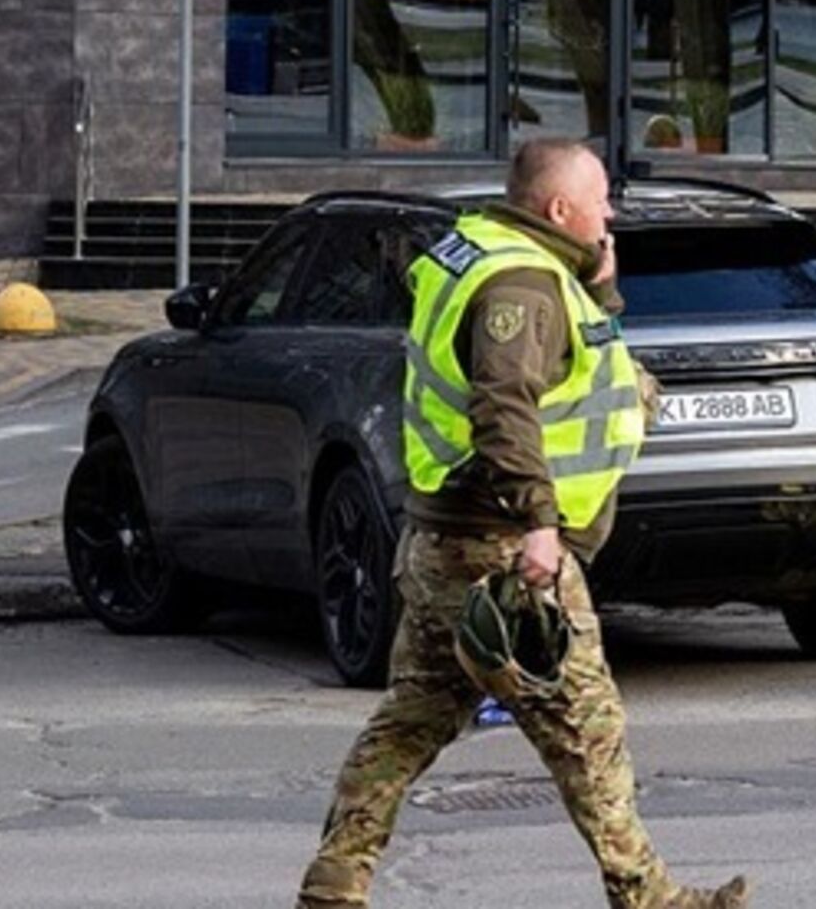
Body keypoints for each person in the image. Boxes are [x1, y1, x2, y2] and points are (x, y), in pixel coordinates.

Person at [297, 139, 748, 908]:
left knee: (408, 724)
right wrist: (540, 523)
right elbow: (503, 406)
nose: (610, 212)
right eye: (599, 199)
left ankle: (335, 883)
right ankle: (648, 898)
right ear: (559, 209)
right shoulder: (522, 285)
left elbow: (571, 370)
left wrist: (601, 292)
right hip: (501, 547)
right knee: (588, 731)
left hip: (444, 540)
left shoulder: (491, 250)